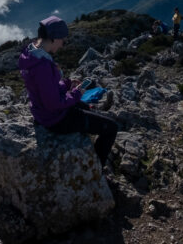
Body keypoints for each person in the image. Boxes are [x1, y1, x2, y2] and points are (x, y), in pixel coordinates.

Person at [18, 15, 119, 166]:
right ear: (53, 38)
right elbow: (54, 103)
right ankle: (96, 170)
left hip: (42, 113)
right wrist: (77, 93)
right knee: (112, 127)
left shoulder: (32, 55)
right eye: (63, 40)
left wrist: (67, 84)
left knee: (86, 108)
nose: (63, 45)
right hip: (55, 119)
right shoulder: (42, 67)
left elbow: (46, 87)